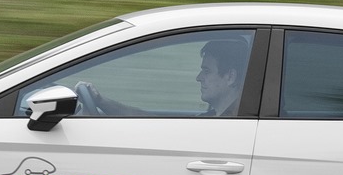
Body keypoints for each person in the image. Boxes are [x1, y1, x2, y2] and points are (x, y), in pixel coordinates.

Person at [75, 35, 251, 117]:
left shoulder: (226, 125)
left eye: (206, 71)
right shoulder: (213, 118)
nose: (198, 78)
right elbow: (148, 121)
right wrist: (101, 102)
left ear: (230, 77)